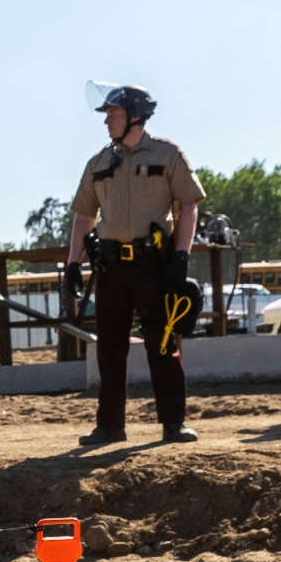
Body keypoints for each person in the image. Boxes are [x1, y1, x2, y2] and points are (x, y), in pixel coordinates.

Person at [68, 85, 204, 446]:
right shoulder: (98, 163)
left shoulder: (167, 154)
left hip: (153, 267)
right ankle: (109, 427)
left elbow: (189, 206)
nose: (107, 120)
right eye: (107, 114)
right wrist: (71, 264)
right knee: (110, 349)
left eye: (113, 113)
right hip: (111, 269)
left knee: (161, 345)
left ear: (135, 115)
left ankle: (173, 424)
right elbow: (83, 216)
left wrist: (181, 256)